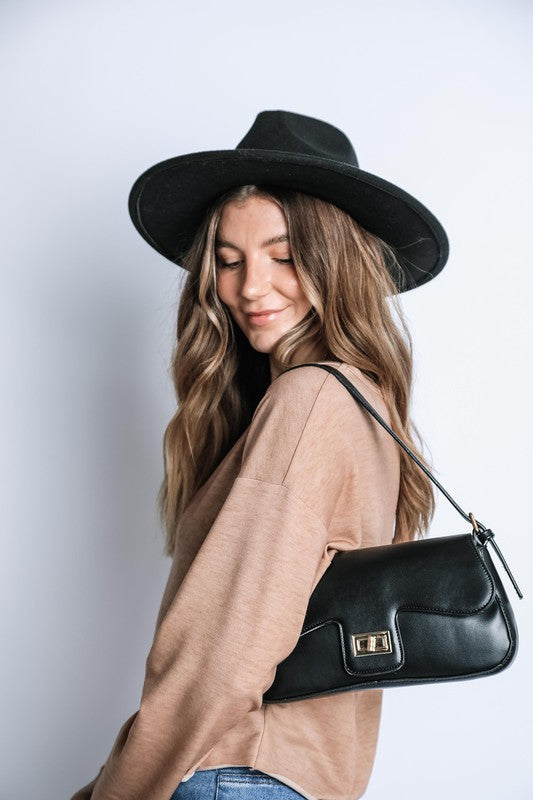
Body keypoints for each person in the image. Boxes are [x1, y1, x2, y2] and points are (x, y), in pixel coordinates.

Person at [70, 110, 448, 800]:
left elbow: (225, 652)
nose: (249, 289)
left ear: (335, 262)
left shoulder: (307, 401)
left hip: (234, 773)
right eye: (228, 259)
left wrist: (118, 788)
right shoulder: (360, 401)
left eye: (283, 257)